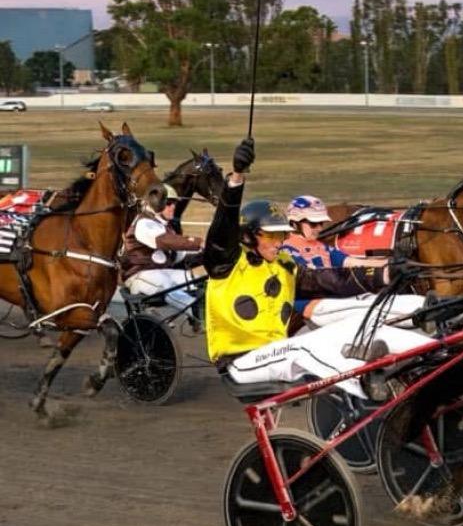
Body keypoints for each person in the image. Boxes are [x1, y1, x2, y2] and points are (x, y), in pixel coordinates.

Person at [202, 136, 435, 401]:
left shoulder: (284, 267)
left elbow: (333, 279)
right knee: (302, 348)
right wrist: (236, 178)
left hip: (277, 352)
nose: (280, 242)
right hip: (240, 363)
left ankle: (436, 353)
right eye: (272, 236)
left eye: (282, 235)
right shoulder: (226, 265)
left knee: (357, 325)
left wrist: (385, 273)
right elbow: (222, 229)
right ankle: (371, 386)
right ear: (247, 236)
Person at [279, 194, 425, 327]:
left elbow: (352, 261)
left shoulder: (321, 246)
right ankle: (420, 317)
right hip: (312, 306)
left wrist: (392, 264)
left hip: (337, 298)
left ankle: (427, 307)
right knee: (370, 309)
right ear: (295, 223)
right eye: (313, 224)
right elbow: (315, 279)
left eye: (321, 223)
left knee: (379, 299)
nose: (318, 228)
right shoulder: (286, 250)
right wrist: (382, 274)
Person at [120, 183, 204, 311]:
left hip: (162, 273)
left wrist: (208, 255)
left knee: (197, 281)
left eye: (174, 203)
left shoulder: (166, 227)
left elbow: (179, 257)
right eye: (168, 203)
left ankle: (207, 313)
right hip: (138, 276)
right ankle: (198, 313)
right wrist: (198, 243)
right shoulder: (144, 223)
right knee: (166, 284)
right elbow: (164, 241)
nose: (173, 207)